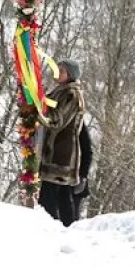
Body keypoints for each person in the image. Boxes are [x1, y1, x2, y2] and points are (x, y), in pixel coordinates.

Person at [37, 59, 86, 227]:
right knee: (61, 196)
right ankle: (67, 229)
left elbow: (57, 120)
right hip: (56, 151)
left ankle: (57, 229)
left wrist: (39, 112)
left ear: (70, 75)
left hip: (61, 152)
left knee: (49, 197)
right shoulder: (60, 91)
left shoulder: (71, 94)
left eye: (62, 71)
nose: (57, 73)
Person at [72, 121, 93, 222]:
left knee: (72, 215)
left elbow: (87, 151)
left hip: (75, 178)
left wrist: (83, 176)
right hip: (55, 178)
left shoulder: (78, 123)